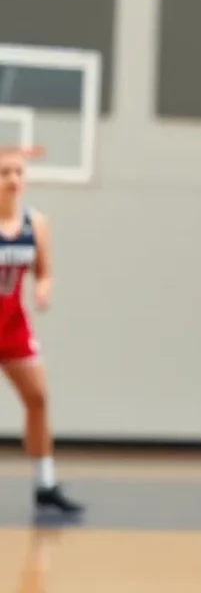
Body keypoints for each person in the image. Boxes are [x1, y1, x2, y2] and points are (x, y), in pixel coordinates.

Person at [0, 147, 84, 519]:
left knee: (38, 398)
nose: (14, 180)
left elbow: (44, 270)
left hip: (13, 325)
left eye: (19, 172)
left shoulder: (37, 223)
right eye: (5, 173)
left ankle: (45, 484)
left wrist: (44, 288)